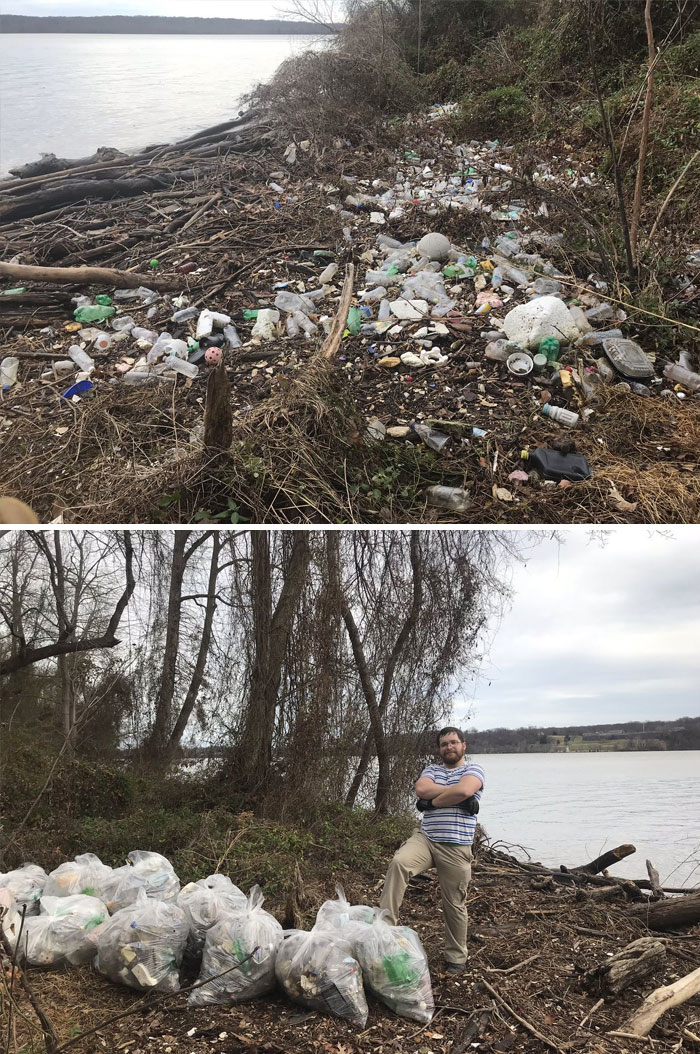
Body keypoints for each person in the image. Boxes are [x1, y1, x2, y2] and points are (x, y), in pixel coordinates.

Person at [379, 726, 484, 975]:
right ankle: (382, 933)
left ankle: (456, 957)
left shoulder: (473, 769)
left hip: (456, 846)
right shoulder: (432, 770)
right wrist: (456, 797)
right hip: (425, 839)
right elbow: (421, 790)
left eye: (453, 742)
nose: (449, 747)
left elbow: (465, 790)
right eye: (444, 744)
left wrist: (432, 803)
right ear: (439, 749)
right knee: (399, 863)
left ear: (463, 746)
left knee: (455, 902)